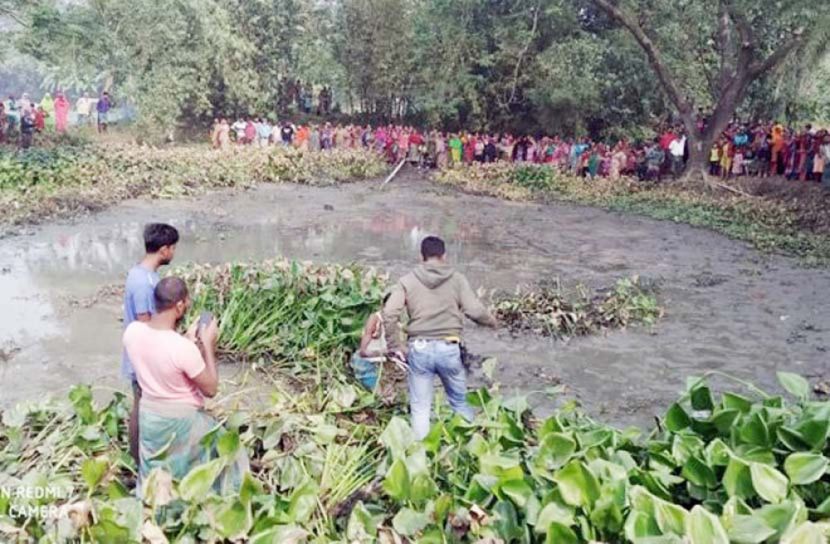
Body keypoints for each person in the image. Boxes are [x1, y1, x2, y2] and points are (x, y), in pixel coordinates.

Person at [123, 277, 249, 495]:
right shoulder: (182, 348)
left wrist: (186, 339)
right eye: (187, 302)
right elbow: (210, 389)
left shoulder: (132, 332)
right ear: (180, 306)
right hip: (182, 422)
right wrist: (208, 344)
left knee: (158, 468)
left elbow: (160, 352)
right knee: (232, 454)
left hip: (149, 416)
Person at [383, 236, 498, 440]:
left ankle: (423, 453)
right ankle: (469, 446)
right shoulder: (457, 280)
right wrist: (492, 322)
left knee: (420, 408)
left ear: (422, 256)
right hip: (449, 347)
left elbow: (390, 313)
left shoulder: (407, 281)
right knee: (459, 402)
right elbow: (474, 310)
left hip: (419, 348)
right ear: (444, 256)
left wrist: (395, 346)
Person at [122, 223, 180, 465]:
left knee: (142, 406)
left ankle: (141, 457)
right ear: (164, 249)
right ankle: (140, 461)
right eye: (173, 248)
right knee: (142, 408)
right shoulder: (145, 284)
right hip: (142, 359)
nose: (174, 253)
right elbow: (146, 325)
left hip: (137, 356)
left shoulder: (139, 273)